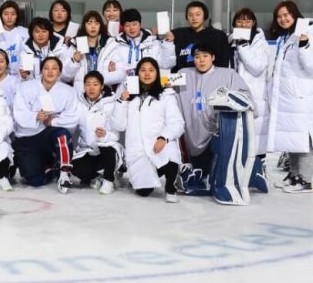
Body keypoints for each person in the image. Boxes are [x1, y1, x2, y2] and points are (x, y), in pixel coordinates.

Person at [175, 43, 256, 204]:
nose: (201, 60)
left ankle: (256, 170)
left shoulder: (228, 74)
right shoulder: (183, 74)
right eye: (197, 57)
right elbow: (168, 95)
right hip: (194, 135)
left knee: (223, 173)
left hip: (219, 134)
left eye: (205, 56)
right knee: (202, 177)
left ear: (213, 57)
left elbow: (246, 99)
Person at [112, 58, 184, 203]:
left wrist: (164, 138)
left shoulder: (166, 95)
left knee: (170, 153)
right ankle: (149, 175)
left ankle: (171, 186)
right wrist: (121, 102)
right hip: (137, 150)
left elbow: (177, 122)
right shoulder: (129, 96)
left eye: (151, 70)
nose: (147, 74)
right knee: (143, 192)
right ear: (137, 73)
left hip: (158, 144)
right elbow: (119, 126)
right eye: (142, 70)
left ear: (157, 73)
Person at [266, 1, 313, 193]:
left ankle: (307, 180)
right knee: (292, 138)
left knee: (303, 139)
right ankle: (295, 175)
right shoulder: (286, 37)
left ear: (295, 15)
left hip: (301, 96)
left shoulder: (308, 34)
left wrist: (304, 45)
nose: (283, 19)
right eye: (279, 16)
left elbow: (311, 67)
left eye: (286, 15)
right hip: (287, 98)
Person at [12, 57, 78, 192]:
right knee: (35, 180)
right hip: (28, 137)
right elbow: (18, 113)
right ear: (41, 70)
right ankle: (53, 166)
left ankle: (65, 172)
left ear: (59, 73)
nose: (50, 71)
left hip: (49, 134)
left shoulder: (69, 91)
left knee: (62, 134)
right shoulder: (25, 87)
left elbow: (73, 117)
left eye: (54, 68)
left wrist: (53, 121)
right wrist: (35, 116)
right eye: (46, 68)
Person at [228, 8, 270, 189]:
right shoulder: (230, 42)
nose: (243, 24)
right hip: (235, 93)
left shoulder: (261, 43)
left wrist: (243, 46)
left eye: (247, 21)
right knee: (239, 136)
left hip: (255, 95)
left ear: (253, 23)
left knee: (256, 136)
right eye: (239, 21)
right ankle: (241, 172)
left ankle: (259, 171)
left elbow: (257, 68)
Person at [72, 71, 123, 195]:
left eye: (95, 84)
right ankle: (97, 176)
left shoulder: (111, 103)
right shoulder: (78, 103)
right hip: (88, 150)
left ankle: (108, 179)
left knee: (107, 147)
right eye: (88, 84)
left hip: (106, 148)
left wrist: (105, 135)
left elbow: (116, 134)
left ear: (101, 86)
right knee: (76, 167)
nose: (91, 88)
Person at [109, 9, 175, 82]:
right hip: (124, 89)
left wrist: (168, 44)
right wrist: (112, 71)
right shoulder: (116, 45)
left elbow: (168, 64)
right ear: (123, 27)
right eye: (127, 25)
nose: (131, 28)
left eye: (134, 24)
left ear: (140, 24)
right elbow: (110, 68)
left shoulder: (153, 43)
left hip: (149, 87)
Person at [62, 11, 121, 93]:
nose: (93, 26)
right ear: (84, 25)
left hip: (103, 94)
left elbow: (121, 74)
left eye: (97, 23)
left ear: (100, 26)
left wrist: (102, 78)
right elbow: (65, 76)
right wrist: (74, 61)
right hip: (81, 94)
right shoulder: (76, 44)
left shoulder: (110, 44)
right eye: (89, 23)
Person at [171, 0, 232, 72]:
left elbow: (223, 63)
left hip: (208, 79)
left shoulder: (218, 36)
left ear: (205, 16)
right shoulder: (177, 34)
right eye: (190, 15)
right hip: (181, 79)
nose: (194, 18)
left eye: (198, 14)